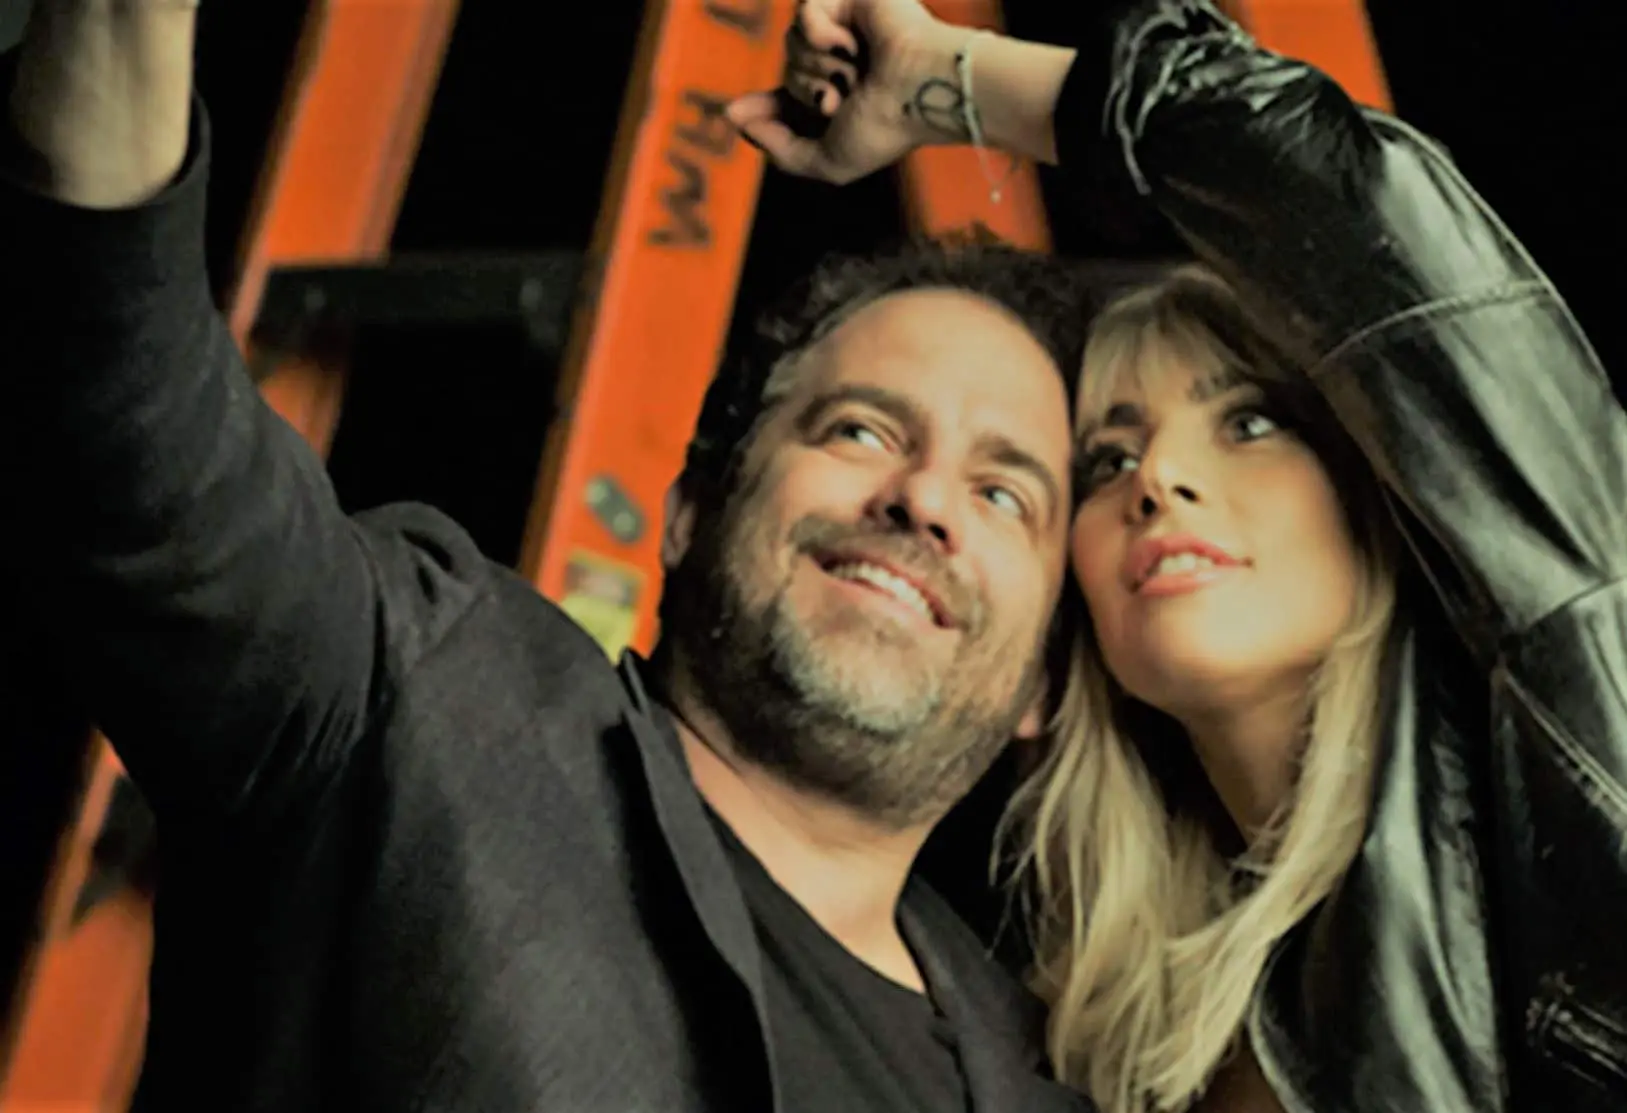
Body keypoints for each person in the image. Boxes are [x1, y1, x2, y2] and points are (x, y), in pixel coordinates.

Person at [0, 4, 1099, 1112]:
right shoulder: (413, 692)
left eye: (1002, 494)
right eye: (858, 430)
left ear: (1046, 682)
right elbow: (132, 407)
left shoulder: (1052, 1085)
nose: (922, 499)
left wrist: (986, 87)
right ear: (689, 510)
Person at [736, 1, 1627, 1112]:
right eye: (1107, 460)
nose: (1157, 479)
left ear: (1382, 493)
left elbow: (1363, 218)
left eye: (1248, 422)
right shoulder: (1095, 1038)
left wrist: (945, 79)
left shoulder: (1581, 710)